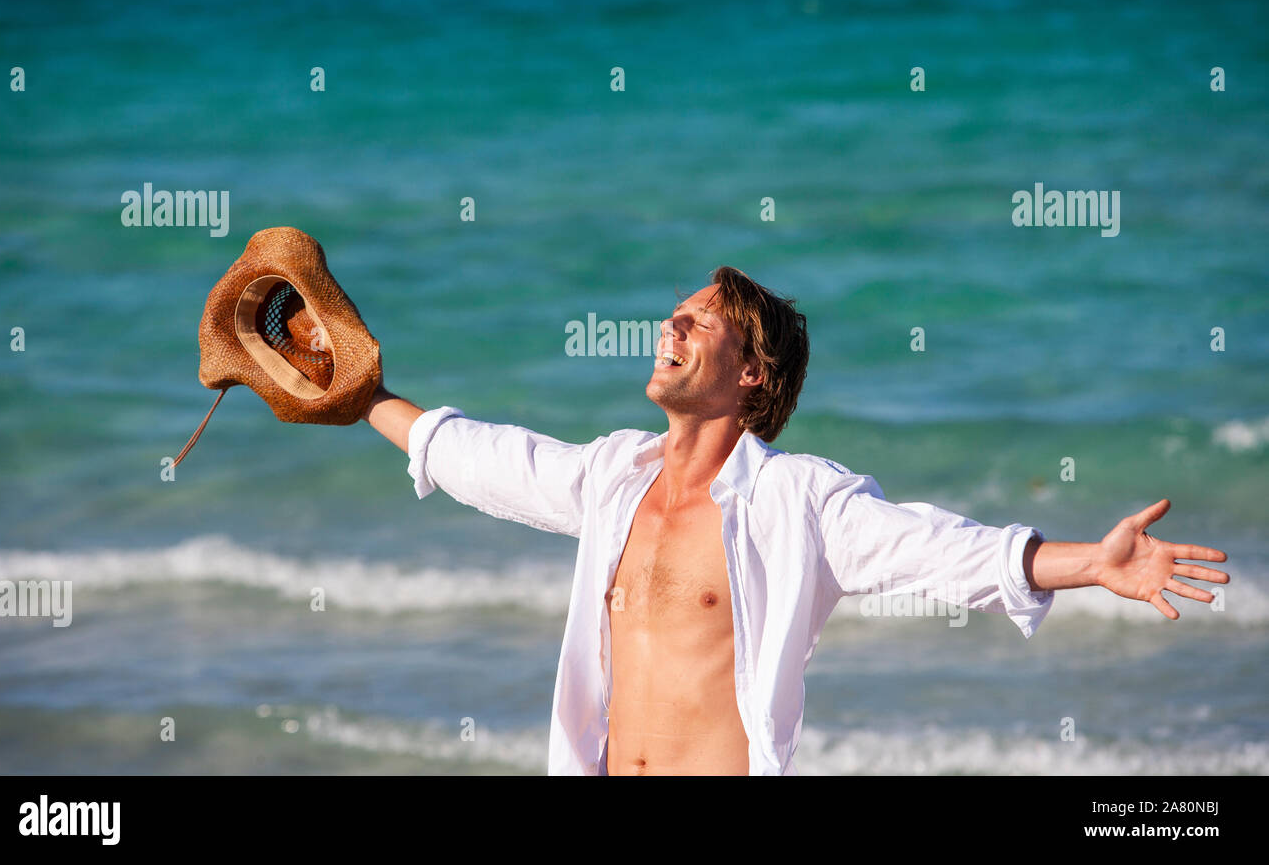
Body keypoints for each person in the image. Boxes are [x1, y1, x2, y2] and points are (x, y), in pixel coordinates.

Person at [362, 266, 1230, 775]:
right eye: (678, 311)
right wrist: (364, 398)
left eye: (703, 318)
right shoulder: (609, 477)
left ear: (751, 374)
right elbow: (481, 457)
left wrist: (1091, 563)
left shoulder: (798, 502)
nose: (675, 321)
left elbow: (938, 549)